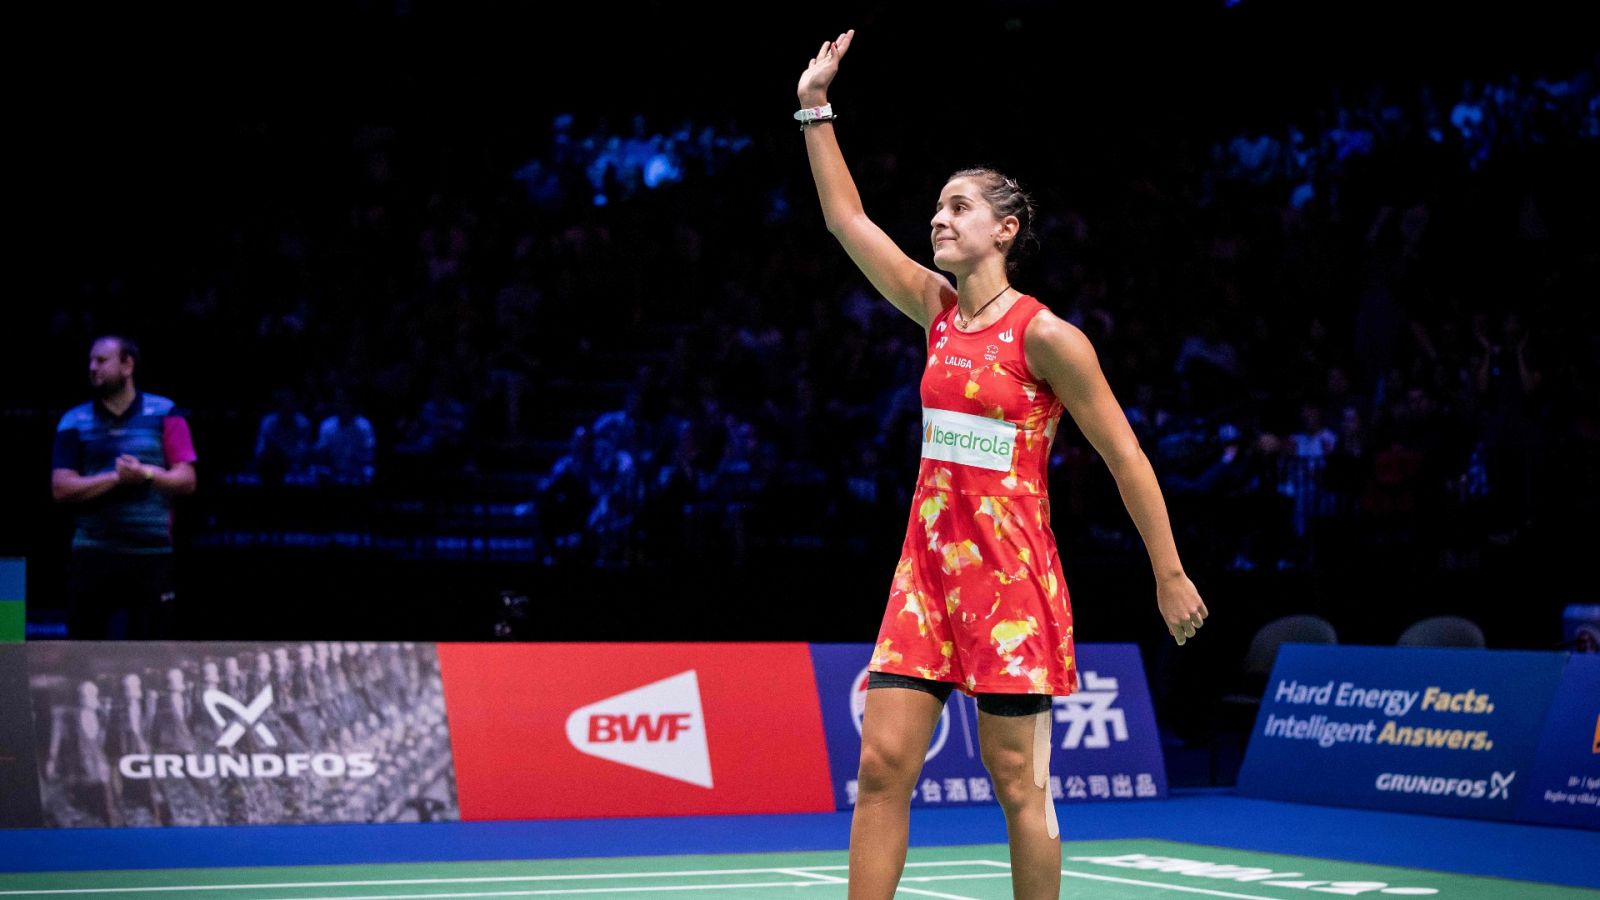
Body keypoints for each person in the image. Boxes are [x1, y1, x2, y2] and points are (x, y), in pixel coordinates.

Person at [797, 31, 1209, 899]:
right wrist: (816, 108)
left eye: (957, 207)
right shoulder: (935, 311)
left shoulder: (1048, 338)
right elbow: (846, 221)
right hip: (926, 575)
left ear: (1005, 229)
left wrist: (1168, 574)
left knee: (1018, 785)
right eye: (937, 208)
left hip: (1010, 576)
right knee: (880, 768)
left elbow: (1126, 456)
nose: (938, 218)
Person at [51, 336, 198, 640]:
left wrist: (144, 475)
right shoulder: (72, 420)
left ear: (127, 365)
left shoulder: (166, 412)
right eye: (90, 361)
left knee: (152, 658)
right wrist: (116, 478)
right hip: (92, 553)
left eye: (101, 361)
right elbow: (61, 488)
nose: (92, 368)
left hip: (152, 554)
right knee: (82, 652)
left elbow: (186, 480)